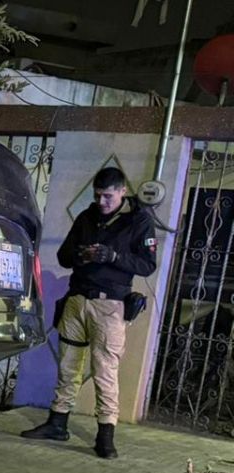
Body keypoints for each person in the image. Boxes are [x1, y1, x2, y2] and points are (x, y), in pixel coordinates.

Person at [20, 167, 157, 458]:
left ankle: (105, 436)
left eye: (108, 196)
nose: (102, 202)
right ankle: (57, 423)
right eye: (97, 196)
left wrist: (113, 256)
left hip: (110, 305)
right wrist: (82, 253)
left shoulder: (139, 221)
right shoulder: (87, 216)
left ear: (122, 191)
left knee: (105, 371)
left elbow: (147, 265)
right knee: (68, 367)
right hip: (77, 299)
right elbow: (63, 257)